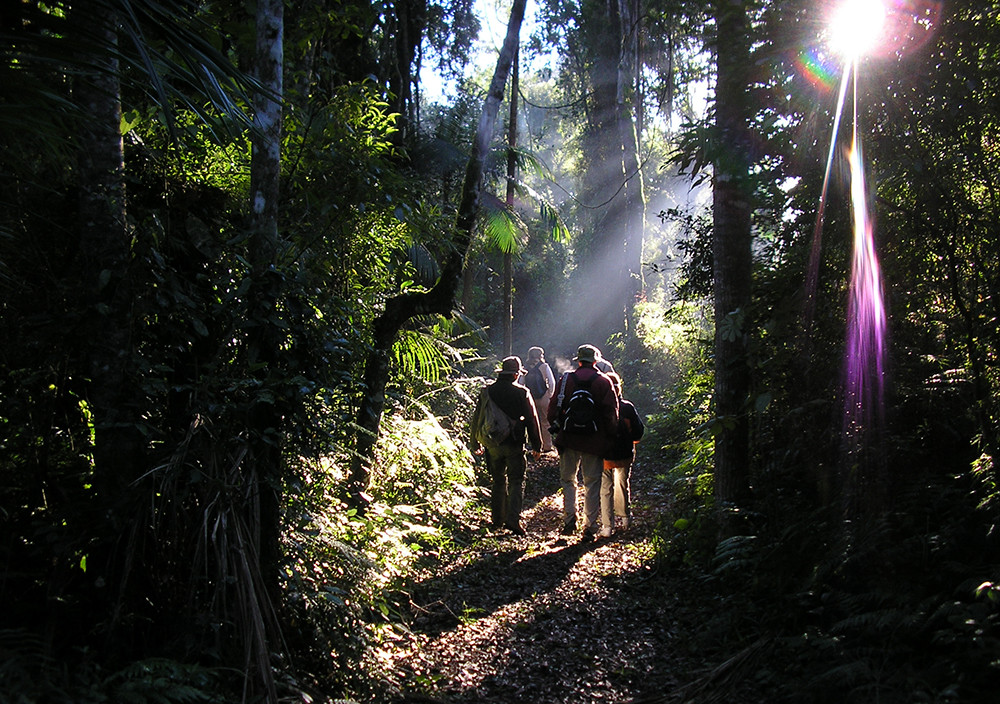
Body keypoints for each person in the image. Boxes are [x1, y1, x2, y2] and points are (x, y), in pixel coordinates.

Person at [547, 344, 619, 542]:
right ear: (595, 361)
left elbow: (553, 407)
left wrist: (557, 426)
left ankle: (569, 520)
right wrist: (610, 436)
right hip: (594, 441)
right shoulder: (604, 381)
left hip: (568, 437)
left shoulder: (566, 379)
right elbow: (611, 413)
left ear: (578, 360)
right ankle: (590, 526)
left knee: (568, 480)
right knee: (592, 483)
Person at [470, 356, 542, 535]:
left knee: (497, 481)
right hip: (514, 443)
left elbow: (477, 418)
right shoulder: (522, 392)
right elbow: (532, 420)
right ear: (516, 374)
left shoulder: (487, 391)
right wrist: (537, 445)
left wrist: (474, 442)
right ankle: (513, 521)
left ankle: (497, 520)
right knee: (516, 481)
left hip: (492, 443)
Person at [599, 372, 644, 538]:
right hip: (624, 453)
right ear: (619, 388)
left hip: (603, 455)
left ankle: (607, 526)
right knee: (622, 485)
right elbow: (638, 432)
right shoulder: (627, 407)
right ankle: (625, 518)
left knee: (605, 489)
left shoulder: (599, 407)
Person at [523, 346, 557, 452]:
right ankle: (547, 446)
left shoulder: (525, 367)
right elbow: (551, 382)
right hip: (543, 396)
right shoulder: (544, 366)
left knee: (531, 421)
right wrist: (549, 394)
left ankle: (533, 445)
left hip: (530, 397)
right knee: (545, 421)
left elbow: (521, 382)